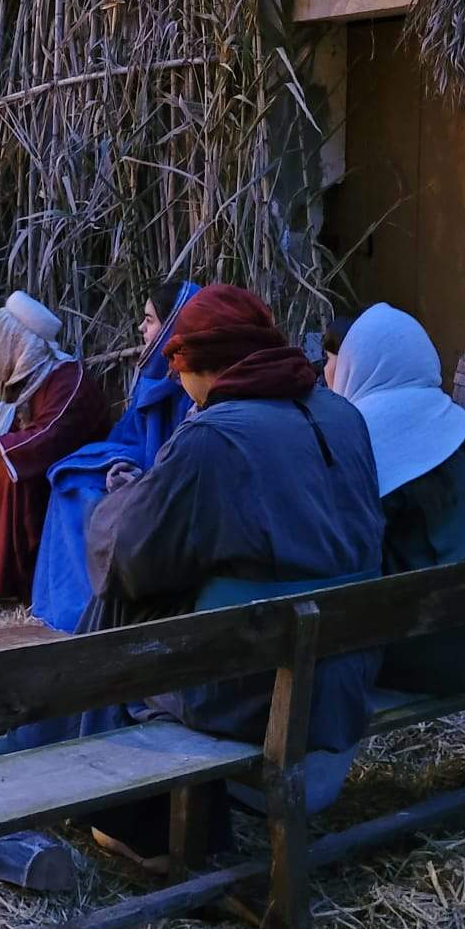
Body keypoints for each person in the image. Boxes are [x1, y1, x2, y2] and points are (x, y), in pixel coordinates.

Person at [79, 285, 386, 861]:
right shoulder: (344, 414)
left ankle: (138, 820)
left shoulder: (213, 436)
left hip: (259, 688)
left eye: (178, 366)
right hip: (343, 671)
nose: (174, 382)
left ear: (199, 363)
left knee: (115, 600)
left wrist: (124, 497)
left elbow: (132, 555)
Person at [328, 303, 465, 693]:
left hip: (435, 648)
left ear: (362, 363)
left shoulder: (365, 436)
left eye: (332, 359)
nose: (325, 372)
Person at [30, 281, 200, 631]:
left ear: (173, 327)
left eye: (150, 320)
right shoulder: (152, 376)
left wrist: (142, 477)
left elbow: (184, 452)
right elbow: (127, 435)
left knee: (91, 501)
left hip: (170, 487)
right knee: (70, 479)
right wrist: (118, 463)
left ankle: (94, 616)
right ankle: (68, 609)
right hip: (141, 468)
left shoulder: (195, 383)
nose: (141, 327)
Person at [0, 292, 109, 598]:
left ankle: (9, 583)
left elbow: (47, 437)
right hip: (25, 453)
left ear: (17, 341)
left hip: (63, 465)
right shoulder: (7, 374)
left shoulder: (66, 379)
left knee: (2, 469)